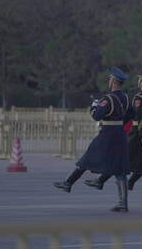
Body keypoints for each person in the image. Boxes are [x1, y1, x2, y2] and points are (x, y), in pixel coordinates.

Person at [53, 66, 131, 212]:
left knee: (88, 158)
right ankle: (123, 203)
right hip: (120, 134)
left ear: (114, 81)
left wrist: (94, 106)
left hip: (107, 133)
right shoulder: (126, 98)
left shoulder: (108, 99)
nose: (109, 81)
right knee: (119, 168)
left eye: (110, 79)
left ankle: (68, 183)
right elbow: (129, 115)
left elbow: (96, 116)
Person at [85, 67, 142, 211]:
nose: (138, 81)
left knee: (120, 162)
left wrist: (141, 132)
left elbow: (141, 116)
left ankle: (107, 187)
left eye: (139, 79)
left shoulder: (140, 98)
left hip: (138, 134)